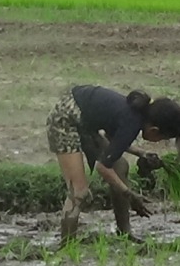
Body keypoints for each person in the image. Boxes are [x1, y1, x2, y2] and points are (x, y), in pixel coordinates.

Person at [46, 84, 180, 244]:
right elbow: (103, 167)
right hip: (66, 119)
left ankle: (124, 232)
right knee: (78, 191)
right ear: (154, 130)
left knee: (121, 166)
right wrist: (130, 195)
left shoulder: (137, 115)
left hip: (86, 119)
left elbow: (116, 141)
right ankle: (66, 247)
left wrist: (142, 153)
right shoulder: (132, 123)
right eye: (163, 138)